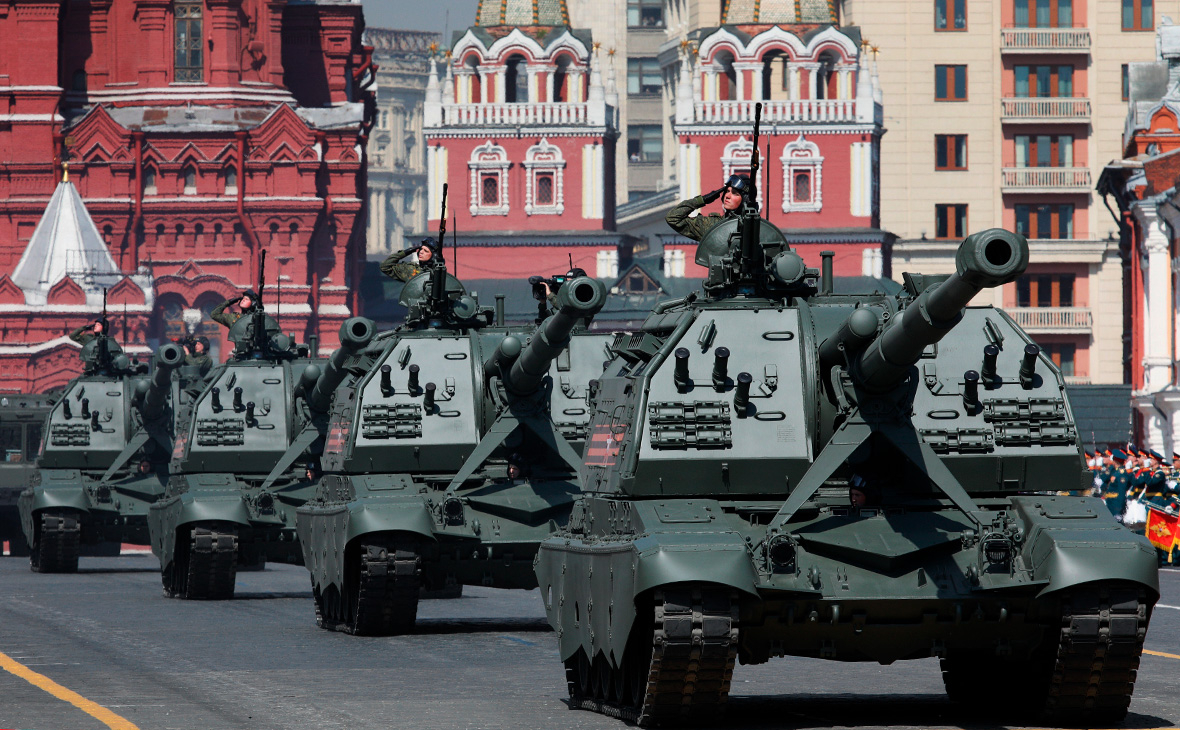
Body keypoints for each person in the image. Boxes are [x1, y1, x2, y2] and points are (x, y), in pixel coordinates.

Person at [665, 174, 751, 242]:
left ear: (745, 199)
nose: (727, 196)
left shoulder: (756, 228)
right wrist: (701, 200)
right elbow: (672, 218)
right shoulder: (713, 226)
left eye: (735, 193)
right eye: (727, 191)